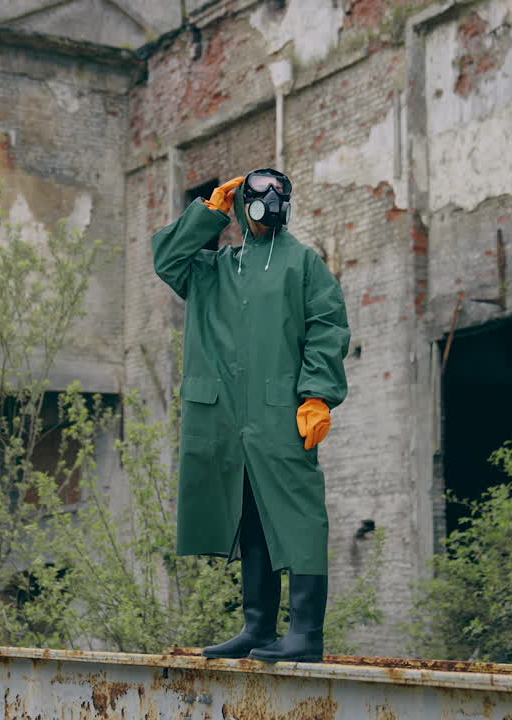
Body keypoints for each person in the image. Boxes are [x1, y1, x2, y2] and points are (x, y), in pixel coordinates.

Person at [152, 169, 350, 663]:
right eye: (257, 200)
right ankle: (258, 626)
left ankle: (307, 633)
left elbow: (327, 326)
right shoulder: (213, 267)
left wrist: (318, 395)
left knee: (300, 514)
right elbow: (165, 258)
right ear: (242, 207)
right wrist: (207, 212)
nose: (266, 210)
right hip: (220, 414)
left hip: (280, 410)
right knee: (251, 515)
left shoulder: (302, 263)